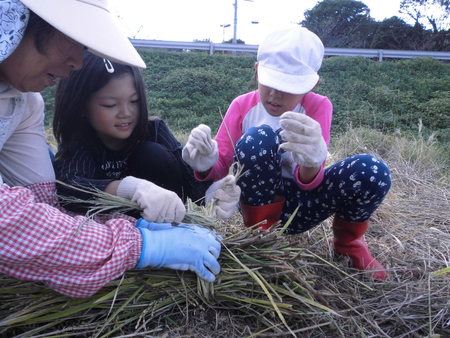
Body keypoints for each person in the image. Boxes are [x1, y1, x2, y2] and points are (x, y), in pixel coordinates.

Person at [0, 0, 221, 298]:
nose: (78, 61)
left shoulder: (22, 102)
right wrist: (139, 245)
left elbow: (45, 202)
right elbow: (10, 220)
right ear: (24, 20)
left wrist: (207, 183)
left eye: (132, 102)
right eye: (73, 39)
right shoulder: (78, 141)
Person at [182, 26, 392, 280]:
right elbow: (223, 166)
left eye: (288, 86)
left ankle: (348, 244)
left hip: (302, 205)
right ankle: (263, 239)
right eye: (269, 82)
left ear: (311, 84)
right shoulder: (242, 106)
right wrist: (204, 163)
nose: (275, 94)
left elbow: (309, 183)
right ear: (257, 70)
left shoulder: (318, 106)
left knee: (372, 171)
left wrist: (312, 162)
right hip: (257, 204)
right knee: (258, 139)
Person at [52, 51, 240, 222]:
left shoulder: (153, 130)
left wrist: (210, 187)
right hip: (108, 232)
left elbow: (190, 184)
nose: (126, 112)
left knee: (152, 154)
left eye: (134, 101)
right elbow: (69, 186)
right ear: (82, 105)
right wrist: (127, 188)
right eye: (110, 105)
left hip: (162, 226)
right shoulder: (80, 140)